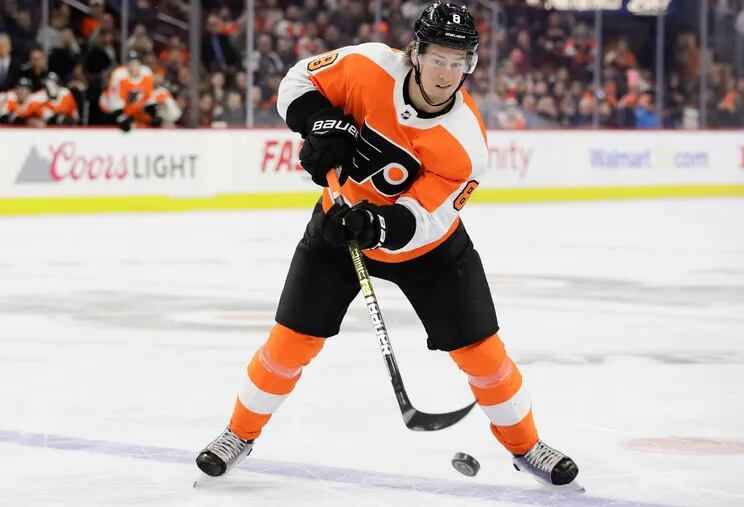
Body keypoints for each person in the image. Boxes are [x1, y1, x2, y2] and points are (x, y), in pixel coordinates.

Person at [196, 2, 580, 490]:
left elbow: (428, 218)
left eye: (458, 61)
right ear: (415, 53)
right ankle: (238, 434)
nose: (446, 73)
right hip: (337, 228)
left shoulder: (466, 143)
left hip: (431, 253)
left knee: (483, 355)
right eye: (437, 58)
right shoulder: (369, 65)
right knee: (289, 343)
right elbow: (297, 81)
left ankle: (526, 447)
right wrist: (320, 123)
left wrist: (377, 225)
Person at [99, 50, 154, 132]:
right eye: (130, 63)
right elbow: (114, 99)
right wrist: (122, 117)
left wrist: (151, 113)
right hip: (113, 107)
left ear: (140, 64)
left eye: (135, 62)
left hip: (135, 108)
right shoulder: (119, 75)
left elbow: (149, 97)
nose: (133, 66)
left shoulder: (147, 73)